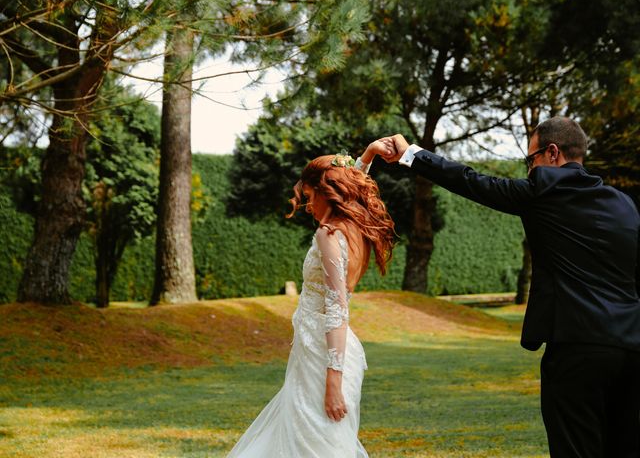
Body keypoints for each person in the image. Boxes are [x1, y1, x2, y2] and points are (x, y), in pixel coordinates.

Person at [372, 116, 640, 458]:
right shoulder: (625, 205)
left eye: (531, 159)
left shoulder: (544, 190)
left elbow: (470, 181)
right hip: (631, 350)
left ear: (553, 153)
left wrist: (411, 153)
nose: (530, 168)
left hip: (577, 348)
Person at [227, 142, 396, 457]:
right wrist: (368, 156)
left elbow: (336, 310)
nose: (307, 205)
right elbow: (352, 184)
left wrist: (333, 379)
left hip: (324, 357)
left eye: (309, 196)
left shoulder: (329, 235)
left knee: (315, 446)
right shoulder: (354, 228)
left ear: (327, 192)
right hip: (321, 352)